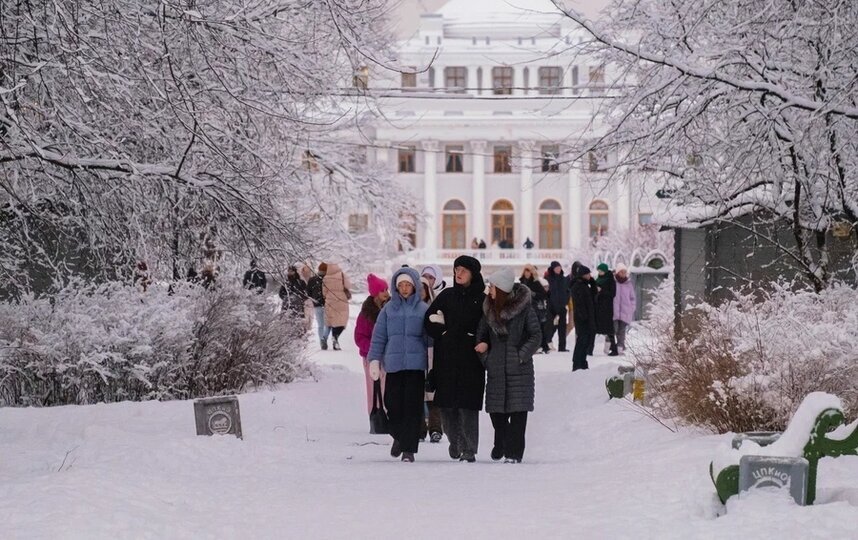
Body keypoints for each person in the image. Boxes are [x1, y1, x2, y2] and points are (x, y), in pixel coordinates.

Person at [424, 255, 486, 463]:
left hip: (471, 359)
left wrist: (478, 339)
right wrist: (442, 333)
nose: (458, 274)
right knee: (447, 404)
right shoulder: (446, 296)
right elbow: (430, 319)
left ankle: (469, 449)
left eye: (463, 271)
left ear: (473, 274)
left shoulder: (482, 299)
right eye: (456, 269)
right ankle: (455, 441)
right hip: (447, 357)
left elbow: (487, 326)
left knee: (468, 406)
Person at [476, 267, 541, 463]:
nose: (489, 290)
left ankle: (514, 453)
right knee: (497, 413)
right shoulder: (488, 310)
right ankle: (501, 443)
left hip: (519, 369)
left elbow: (536, 335)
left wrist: (520, 355)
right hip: (496, 367)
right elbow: (481, 336)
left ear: (501, 289)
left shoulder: (524, 310)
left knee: (518, 413)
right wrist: (486, 357)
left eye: (492, 287)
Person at [368, 267, 429, 463]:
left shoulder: (423, 309)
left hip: (415, 366)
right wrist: (374, 360)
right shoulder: (388, 309)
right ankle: (398, 436)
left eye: (408, 285)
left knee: (413, 408)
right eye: (401, 285)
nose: (404, 289)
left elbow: (430, 338)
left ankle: (408, 449)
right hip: (394, 365)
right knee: (392, 406)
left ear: (414, 286)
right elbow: (378, 337)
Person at [354, 273, 391, 427]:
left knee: (387, 387)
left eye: (387, 290)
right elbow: (359, 336)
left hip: (388, 355)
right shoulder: (366, 314)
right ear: (376, 293)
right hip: (371, 356)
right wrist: (373, 348)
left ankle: (388, 415)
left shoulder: (391, 309)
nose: (387, 293)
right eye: (383, 290)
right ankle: (375, 416)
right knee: (373, 387)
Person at [419, 277, 443, 443]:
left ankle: (435, 428)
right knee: (418, 394)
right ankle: (420, 429)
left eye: (424, 289)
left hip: (434, 352)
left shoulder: (436, 308)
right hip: (418, 354)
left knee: (434, 394)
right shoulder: (412, 309)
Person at [570, 265, 596, 371]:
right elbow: (580, 303)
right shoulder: (578, 286)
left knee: (585, 340)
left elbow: (594, 296)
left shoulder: (586, 285)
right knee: (582, 340)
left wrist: (593, 283)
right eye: (587, 274)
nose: (589, 276)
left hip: (587, 317)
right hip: (582, 319)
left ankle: (582, 361)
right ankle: (578, 363)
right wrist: (584, 316)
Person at [520, 264, 550, 353]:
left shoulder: (535, 282)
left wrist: (533, 294)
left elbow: (544, 295)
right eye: (526, 271)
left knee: (537, 328)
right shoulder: (521, 282)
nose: (527, 273)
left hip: (535, 309)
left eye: (529, 271)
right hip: (524, 308)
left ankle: (543, 346)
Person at [322, 263, 352, 351]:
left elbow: (324, 292)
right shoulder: (342, 275)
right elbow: (348, 286)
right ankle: (335, 337)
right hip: (341, 300)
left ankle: (327, 337)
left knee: (331, 321)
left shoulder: (325, 278)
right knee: (342, 321)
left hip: (330, 301)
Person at [546, 261, 570, 352]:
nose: (558, 270)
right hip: (551, 307)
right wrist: (549, 303)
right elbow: (547, 293)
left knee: (562, 328)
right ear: (553, 269)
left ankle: (562, 347)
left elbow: (568, 291)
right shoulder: (548, 279)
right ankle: (547, 342)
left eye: (559, 268)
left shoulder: (564, 279)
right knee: (550, 326)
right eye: (556, 268)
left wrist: (566, 301)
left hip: (562, 307)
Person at [595, 263, 619, 356]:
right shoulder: (598, 279)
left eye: (601, 271)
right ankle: (589, 348)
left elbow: (612, 293)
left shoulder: (610, 280)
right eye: (599, 271)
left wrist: (601, 291)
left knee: (609, 329)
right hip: (598, 307)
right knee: (595, 328)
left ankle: (614, 349)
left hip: (607, 308)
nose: (600, 273)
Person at [613, 263, 636, 355]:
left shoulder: (628, 284)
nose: (623, 273)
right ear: (617, 272)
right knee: (613, 329)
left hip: (625, 311)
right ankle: (610, 346)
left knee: (622, 331)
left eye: (624, 272)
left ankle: (620, 347)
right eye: (621, 272)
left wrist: (631, 308)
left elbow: (632, 298)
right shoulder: (613, 282)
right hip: (614, 311)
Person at [307, 264, 330, 350]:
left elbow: (308, 292)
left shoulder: (312, 280)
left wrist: (314, 299)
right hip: (328, 304)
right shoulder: (330, 280)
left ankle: (322, 340)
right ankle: (324, 338)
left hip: (317, 304)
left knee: (321, 325)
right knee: (328, 324)